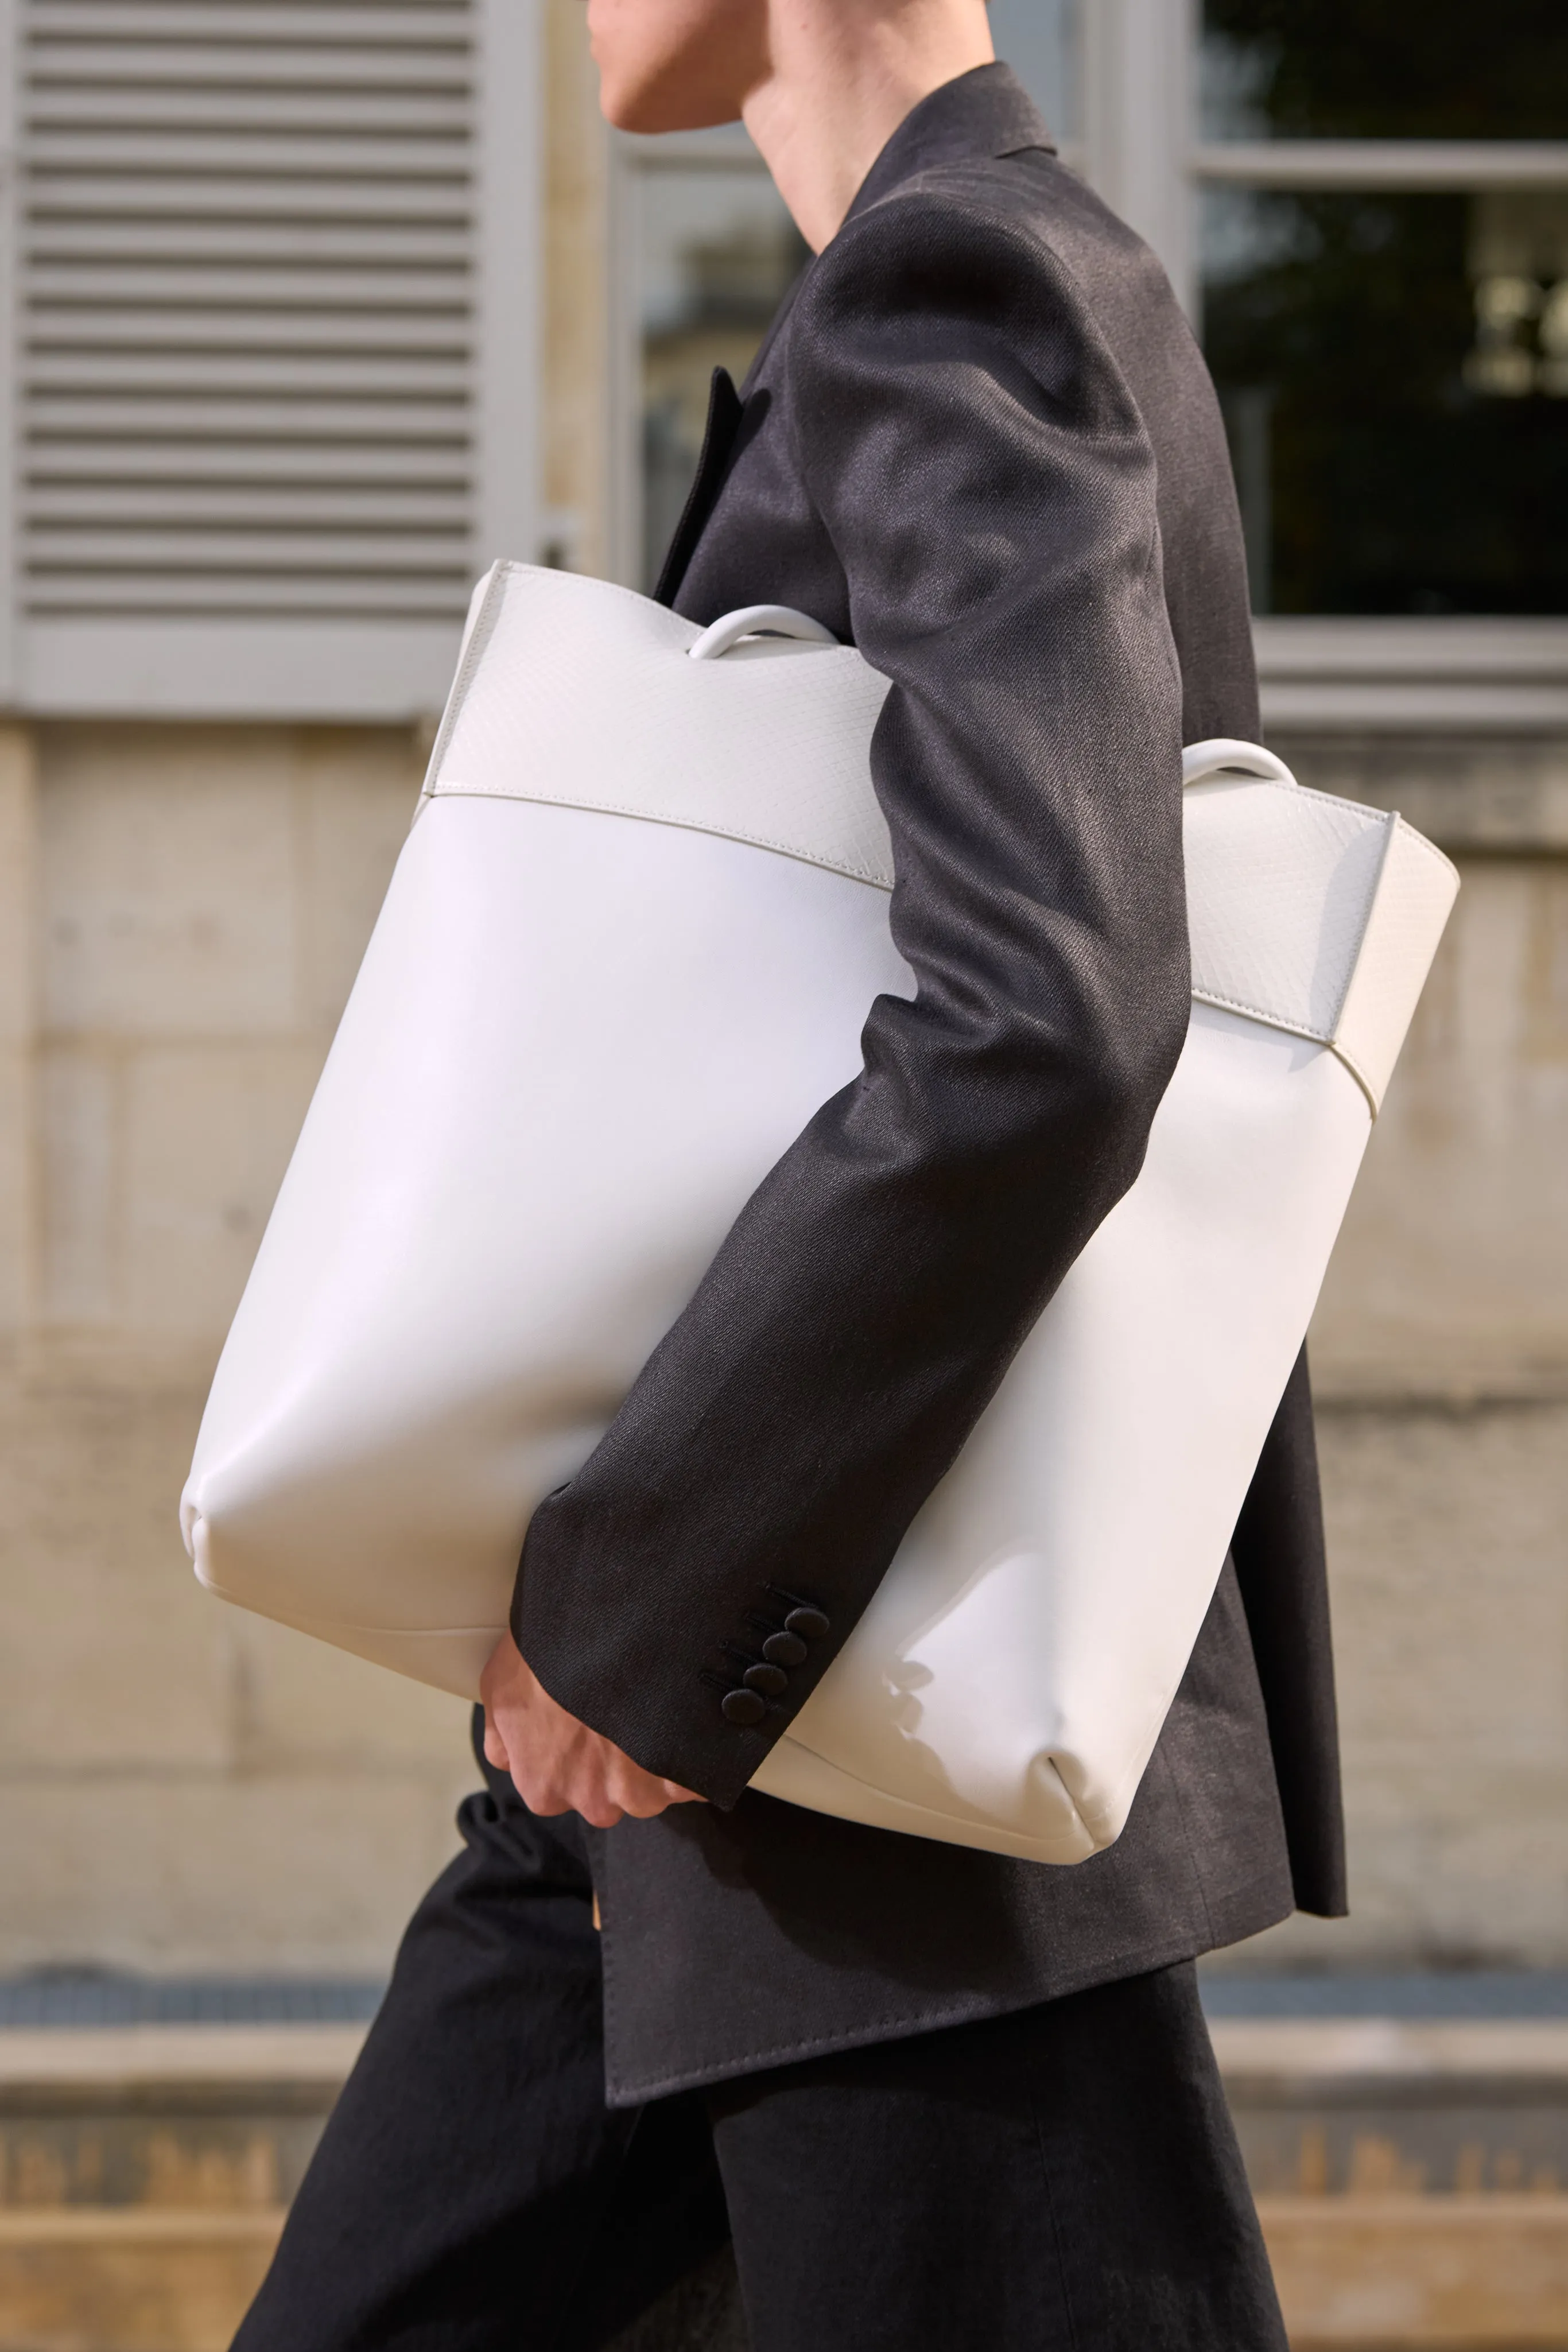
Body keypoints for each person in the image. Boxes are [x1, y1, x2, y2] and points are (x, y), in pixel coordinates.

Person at [234, 2, 1346, 2345]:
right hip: (724, 1778)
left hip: (831, 1784)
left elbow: (1040, 1013)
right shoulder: (935, 284)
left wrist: (640, 1607)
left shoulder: (959, 287)